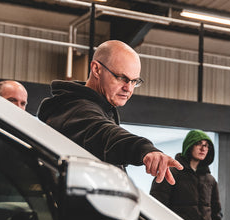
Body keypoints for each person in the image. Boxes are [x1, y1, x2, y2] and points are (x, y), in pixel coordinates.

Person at [37, 40, 181, 184]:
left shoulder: (100, 108)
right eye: (122, 78)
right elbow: (104, 134)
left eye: (134, 81)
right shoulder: (74, 109)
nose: (128, 88)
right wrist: (143, 149)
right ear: (96, 69)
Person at [150, 129, 222, 220]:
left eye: (206, 145)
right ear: (189, 146)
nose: (203, 148)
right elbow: (158, 206)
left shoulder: (210, 180)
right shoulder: (171, 173)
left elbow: (216, 212)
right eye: (198, 144)